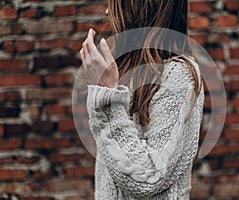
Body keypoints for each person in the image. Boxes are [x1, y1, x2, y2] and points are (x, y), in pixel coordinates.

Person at [78, 0, 205, 199]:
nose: (106, 11)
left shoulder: (179, 75)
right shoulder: (123, 66)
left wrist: (108, 95)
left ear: (139, 9)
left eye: (115, 5)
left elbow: (146, 179)